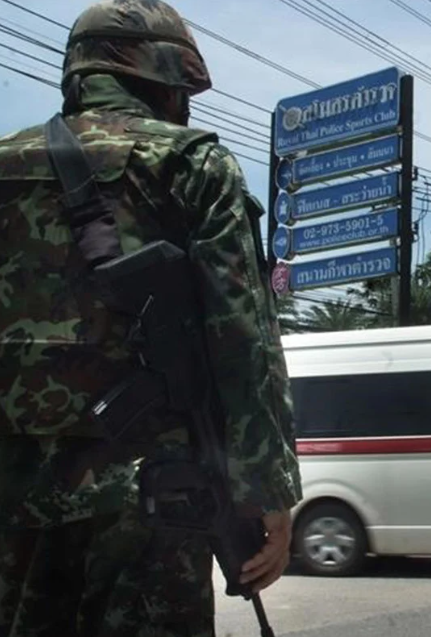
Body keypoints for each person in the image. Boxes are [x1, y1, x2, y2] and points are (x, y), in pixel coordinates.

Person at [0, 1, 302, 635]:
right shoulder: (191, 164)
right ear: (163, 76)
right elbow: (244, 339)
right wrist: (268, 489)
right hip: (150, 497)